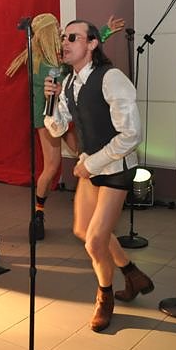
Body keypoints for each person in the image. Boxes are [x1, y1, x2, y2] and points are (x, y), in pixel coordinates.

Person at [43, 19, 154, 332]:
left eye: (73, 37)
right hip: (91, 165)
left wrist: (90, 165)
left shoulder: (112, 78)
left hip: (115, 167)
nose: (65, 43)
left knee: (94, 242)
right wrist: (50, 104)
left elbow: (131, 135)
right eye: (63, 38)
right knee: (83, 229)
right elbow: (58, 127)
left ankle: (105, 297)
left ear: (92, 43)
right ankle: (131, 273)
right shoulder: (69, 82)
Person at [7, 14, 124, 240]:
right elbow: (69, 68)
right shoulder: (41, 63)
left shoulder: (55, 56)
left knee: (85, 157)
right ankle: (38, 214)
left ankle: (95, 211)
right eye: (57, 28)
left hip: (65, 116)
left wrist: (104, 31)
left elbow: (81, 49)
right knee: (52, 167)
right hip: (48, 120)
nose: (61, 32)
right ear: (48, 32)